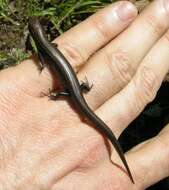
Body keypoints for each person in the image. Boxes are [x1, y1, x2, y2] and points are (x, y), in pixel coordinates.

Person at [0, 0, 169, 189]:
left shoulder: (42, 50)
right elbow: (53, 47)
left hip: (72, 93)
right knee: (75, 92)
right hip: (76, 91)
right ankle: (80, 90)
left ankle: (64, 95)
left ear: (34, 35)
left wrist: (53, 91)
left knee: (68, 94)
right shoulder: (48, 44)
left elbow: (41, 61)